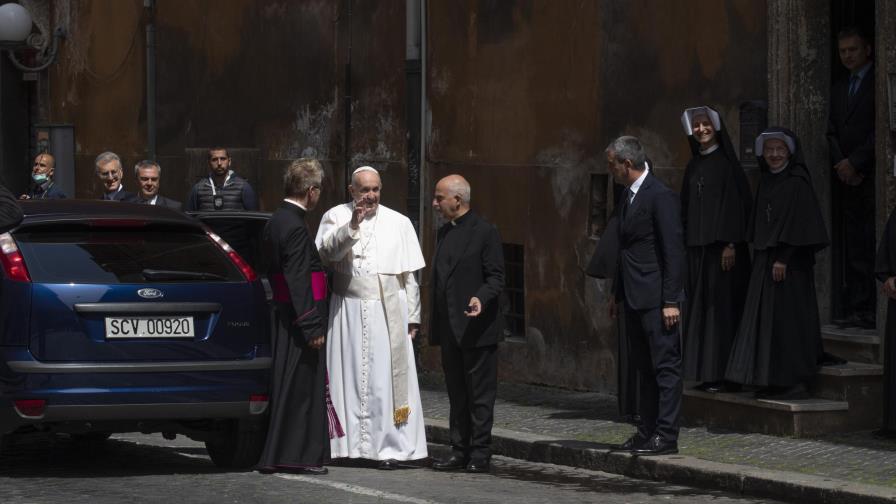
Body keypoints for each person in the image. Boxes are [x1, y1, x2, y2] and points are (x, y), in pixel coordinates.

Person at [315, 166, 427, 469]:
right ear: (351, 191)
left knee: (383, 381)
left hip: (387, 310)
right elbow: (326, 255)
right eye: (364, 189)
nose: (371, 195)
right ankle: (346, 446)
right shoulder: (335, 216)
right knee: (347, 375)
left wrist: (413, 317)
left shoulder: (399, 222)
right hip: (347, 310)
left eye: (376, 189)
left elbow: (409, 276)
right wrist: (352, 225)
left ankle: (388, 448)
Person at [726, 128, 829, 399]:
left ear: (790, 152)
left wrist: (783, 257)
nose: (774, 155)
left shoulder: (797, 182)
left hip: (789, 267)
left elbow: (803, 225)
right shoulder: (767, 181)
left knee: (789, 322)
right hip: (765, 261)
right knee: (767, 322)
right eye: (769, 149)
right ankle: (770, 378)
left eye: (779, 150)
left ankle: (794, 381)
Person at [606, 136, 684, 456]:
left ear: (626, 164)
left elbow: (673, 251)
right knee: (644, 368)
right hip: (633, 296)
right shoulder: (627, 196)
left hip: (656, 299)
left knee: (665, 368)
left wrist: (670, 300)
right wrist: (616, 293)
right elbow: (625, 250)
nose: (609, 169)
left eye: (611, 163)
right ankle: (647, 430)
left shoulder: (660, 196)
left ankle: (666, 435)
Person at [257, 158, 330, 475]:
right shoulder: (297, 227)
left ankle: (280, 453)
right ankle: (296, 455)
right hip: (300, 318)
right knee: (300, 389)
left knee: (288, 385)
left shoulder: (276, 220)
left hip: (285, 314)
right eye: (319, 191)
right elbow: (299, 279)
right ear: (311, 191)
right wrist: (311, 324)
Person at [429, 175, 505, 473]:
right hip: (450, 327)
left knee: (480, 395)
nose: (434, 204)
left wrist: (480, 298)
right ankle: (459, 449)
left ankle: (480, 452)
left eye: (439, 198)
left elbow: (497, 277)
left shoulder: (485, 232)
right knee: (457, 393)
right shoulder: (444, 233)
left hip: (477, 328)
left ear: (457, 200)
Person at [679, 107, 751, 393]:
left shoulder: (727, 165)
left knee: (721, 312)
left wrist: (730, 243)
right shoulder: (693, 165)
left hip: (723, 252)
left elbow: (737, 206)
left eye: (705, 124)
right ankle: (707, 373)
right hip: (698, 252)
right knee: (702, 314)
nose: (701, 129)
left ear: (716, 127)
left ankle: (727, 375)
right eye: (696, 125)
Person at [827, 26, 875, 329]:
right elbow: (830, 130)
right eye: (843, 51)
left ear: (867, 50)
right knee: (853, 245)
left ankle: (872, 309)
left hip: (871, 176)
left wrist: (856, 163)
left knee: (871, 244)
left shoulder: (878, 83)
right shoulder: (839, 87)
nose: (847, 56)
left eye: (853, 50)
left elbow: (882, 128)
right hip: (845, 179)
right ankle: (858, 308)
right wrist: (841, 165)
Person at [186, 148, 258, 211]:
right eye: (214, 159)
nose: (219, 163)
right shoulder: (198, 188)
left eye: (223, 159)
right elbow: (190, 217)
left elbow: (254, 218)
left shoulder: (243, 187)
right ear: (209, 163)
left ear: (229, 161)